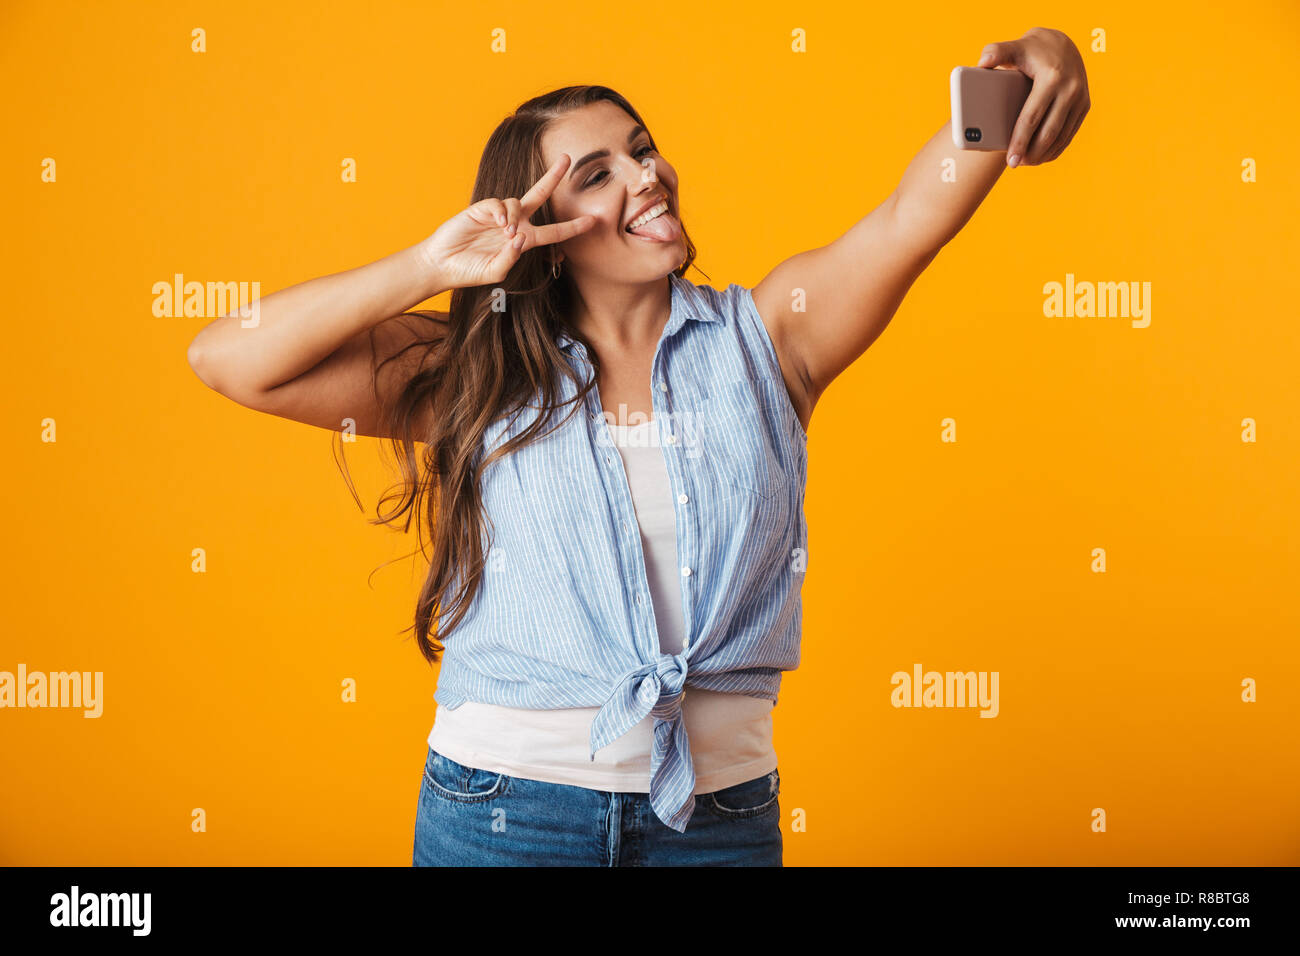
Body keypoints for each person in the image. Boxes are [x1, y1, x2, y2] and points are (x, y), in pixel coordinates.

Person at [186, 28, 1089, 866]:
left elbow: (907, 218)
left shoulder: (769, 341)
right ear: (538, 231)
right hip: (505, 812)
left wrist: (1027, 69)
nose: (645, 176)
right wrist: (431, 267)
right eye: (596, 175)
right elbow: (229, 359)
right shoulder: (480, 369)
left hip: (718, 820)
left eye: (643, 147)